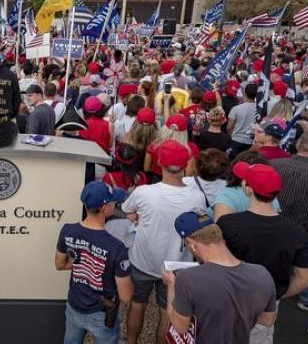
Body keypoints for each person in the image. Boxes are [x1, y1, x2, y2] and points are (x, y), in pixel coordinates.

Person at [217, 161, 308, 343]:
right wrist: (274, 296)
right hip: (266, 306)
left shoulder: (228, 223)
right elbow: (304, 280)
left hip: (229, 300)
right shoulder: (296, 231)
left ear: (248, 189)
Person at [122, 140, 206, 344]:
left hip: (142, 262)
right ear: (186, 164)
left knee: (137, 304)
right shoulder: (197, 197)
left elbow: (128, 212)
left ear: (159, 162)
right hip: (177, 265)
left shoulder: (144, 192)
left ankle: (131, 341)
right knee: (167, 310)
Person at [162, 211, 277, 343]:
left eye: (186, 245)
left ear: (192, 243)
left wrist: (171, 284)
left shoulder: (187, 278)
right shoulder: (262, 274)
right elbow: (268, 320)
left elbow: (180, 327)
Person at [55, 181, 133, 344]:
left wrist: (81, 260)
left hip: (74, 305)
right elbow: (126, 296)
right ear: (105, 209)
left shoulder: (67, 230)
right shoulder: (116, 247)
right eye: (113, 202)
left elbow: (59, 264)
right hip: (101, 313)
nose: (115, 204)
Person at [271, 132, 308, 310]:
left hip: (275, 225)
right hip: (306, 230)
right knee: (305, 264)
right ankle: (307, 298)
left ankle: (271, 286)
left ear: (297, 146)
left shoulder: (275, 165)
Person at [227, 83, 258, 158]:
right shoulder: (259, 110)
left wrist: (232, 136)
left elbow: (229, 127)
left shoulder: (236, 108)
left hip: (236, 141)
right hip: (250, 142)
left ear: (245, 93)